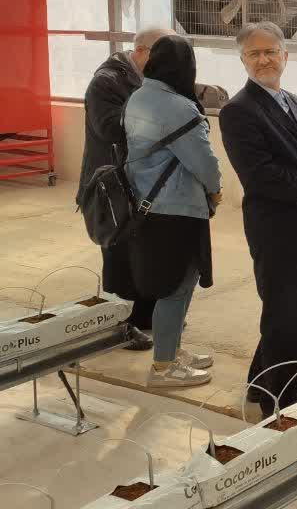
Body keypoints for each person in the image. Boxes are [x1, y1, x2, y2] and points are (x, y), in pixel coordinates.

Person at [220, 22, 297, 416]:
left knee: (296, 308)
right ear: (243, 60)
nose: (264, 60)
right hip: (276, 227)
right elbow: (260, 174)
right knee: (283, 313)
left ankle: (263, 382)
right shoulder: (238, 110)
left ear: (285, 55)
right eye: (254, 53)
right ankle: (280, 402)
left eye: (270, 51)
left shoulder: (291, 99)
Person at [122, 36, 222, 388]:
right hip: (178, 209)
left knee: (174, 283)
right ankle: (164, 366)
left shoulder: (137, 96)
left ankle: (173, 351)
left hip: (148, 203)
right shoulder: (180, 108)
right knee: (176, 287)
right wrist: (216, 191)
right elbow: (204, 164)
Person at [77, 26, 174, 352]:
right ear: (142, 52)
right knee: (119, 256)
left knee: (145, 252)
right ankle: (120, 326)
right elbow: (109, 128)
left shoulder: (150, 80)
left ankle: (145, 316)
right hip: (112, 188)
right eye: (164, 54)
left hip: (142, 183)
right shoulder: (106, 82)